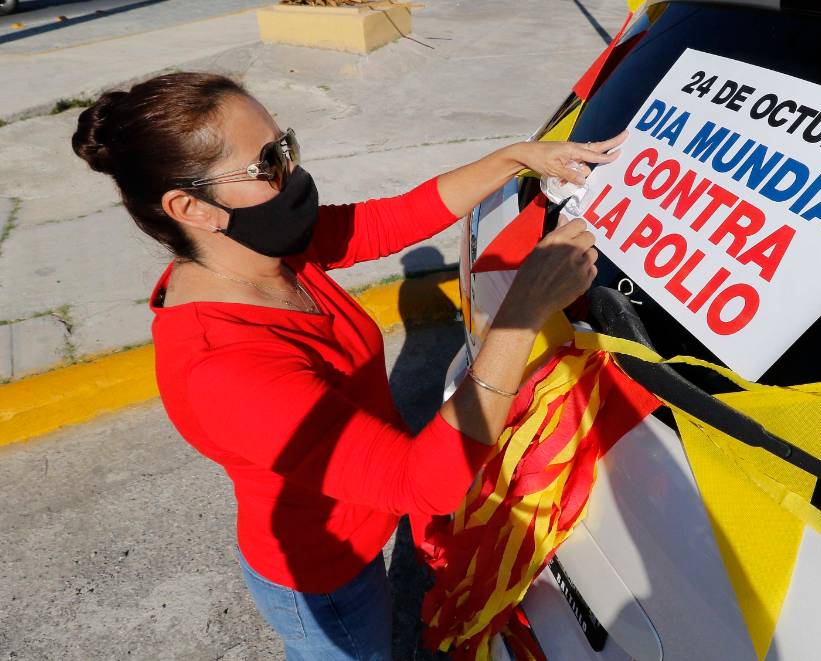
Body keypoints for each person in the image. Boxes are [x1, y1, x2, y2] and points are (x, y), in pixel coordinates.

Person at [70, 72, 624, 660]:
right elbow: (422, 484)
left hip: (363, 531)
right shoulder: (223, 368)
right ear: (191, 208)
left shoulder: (268, 251)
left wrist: (516, 157)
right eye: (266, 166)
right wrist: (523, 311)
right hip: (324, 576)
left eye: (285, 146)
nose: (294, 175)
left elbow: (389, 221)